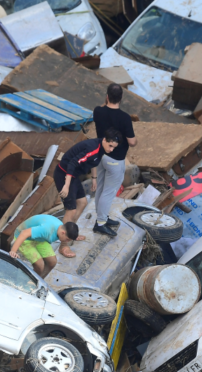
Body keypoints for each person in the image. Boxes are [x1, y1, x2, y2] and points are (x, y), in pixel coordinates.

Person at [53, 128, 122, 258]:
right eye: (110, 146)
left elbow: (93, 162)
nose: (112, 149)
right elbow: (72, 163)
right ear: (104, 140)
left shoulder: (101, 148)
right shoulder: (93, 148)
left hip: (74, 176)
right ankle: (63, 245)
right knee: (70, 210)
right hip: (64, 174)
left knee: (82, 202)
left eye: (114, 147)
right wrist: (66, 185)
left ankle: (72, 232)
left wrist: (94, 178)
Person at [91, 83, 137, 237]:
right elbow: (131, 142)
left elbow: (103, 107)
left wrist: (106, 101)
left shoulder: (98, 111)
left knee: (101, 188)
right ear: (121, 98)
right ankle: (101, 223)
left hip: (100, 155)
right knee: (109, 192)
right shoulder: (124, 118)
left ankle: (101, 217)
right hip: (115, 159)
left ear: (107, 96)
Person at [8, 214, 79, 278]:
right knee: (40, 265)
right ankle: (31, 282)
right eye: (67, 239)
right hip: (25, 239)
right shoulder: (46, 230)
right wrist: (13, 251)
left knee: (52, 262)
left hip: (40, 239)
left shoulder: (60, 228)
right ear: (63, 233)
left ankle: (40, 279)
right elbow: (24, 233)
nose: (66, 242)